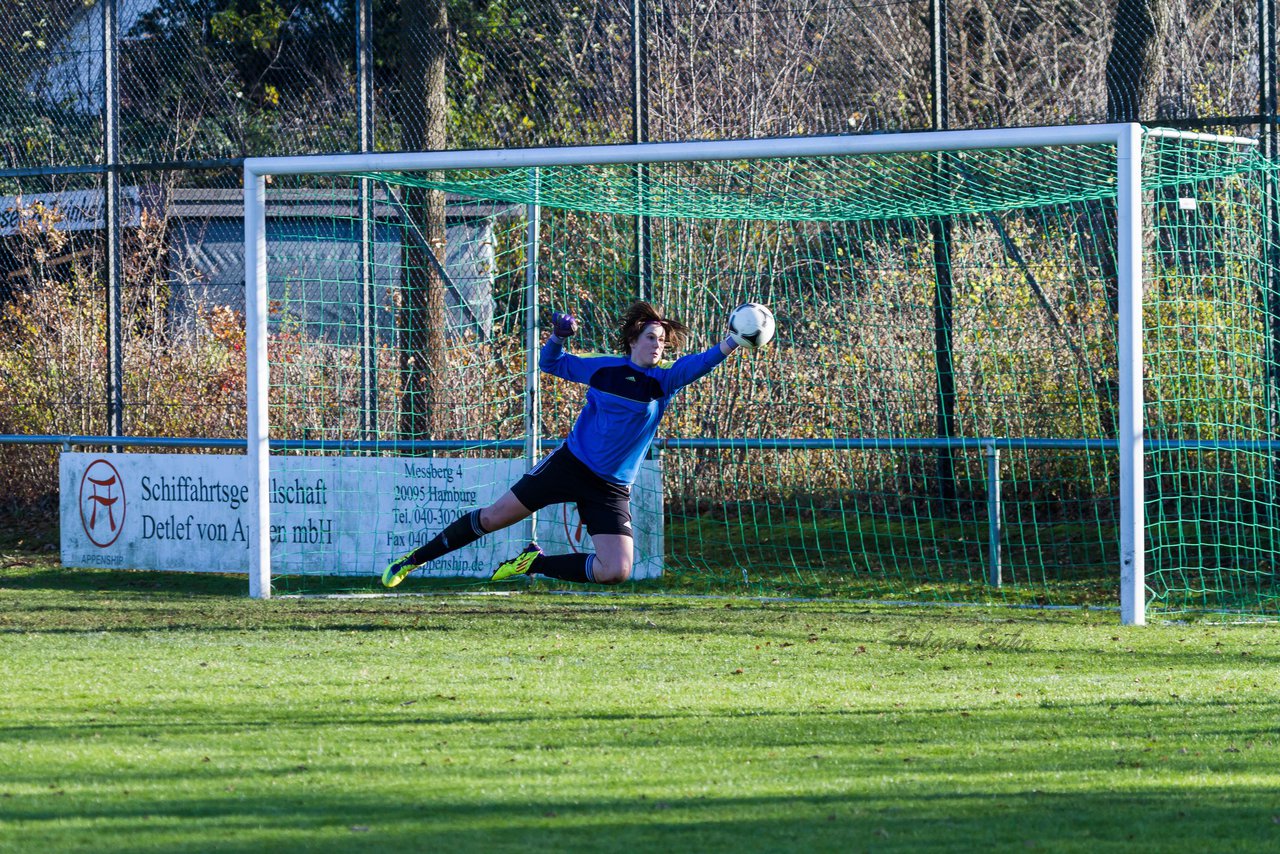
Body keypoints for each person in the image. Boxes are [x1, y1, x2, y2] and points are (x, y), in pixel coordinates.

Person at [382, 301, 741, 587]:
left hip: (611, 488)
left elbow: (701, 363)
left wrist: (733, 340)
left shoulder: (664, 381)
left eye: (662, 340)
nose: (658, 345)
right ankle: (412, 560)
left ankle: (534, 563)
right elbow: (549, 362)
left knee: (615, 570)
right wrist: (557, 336)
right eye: (651, 337)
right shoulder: (603, 369)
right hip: (569, 466)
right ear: (633, 341)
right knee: (493, 517)